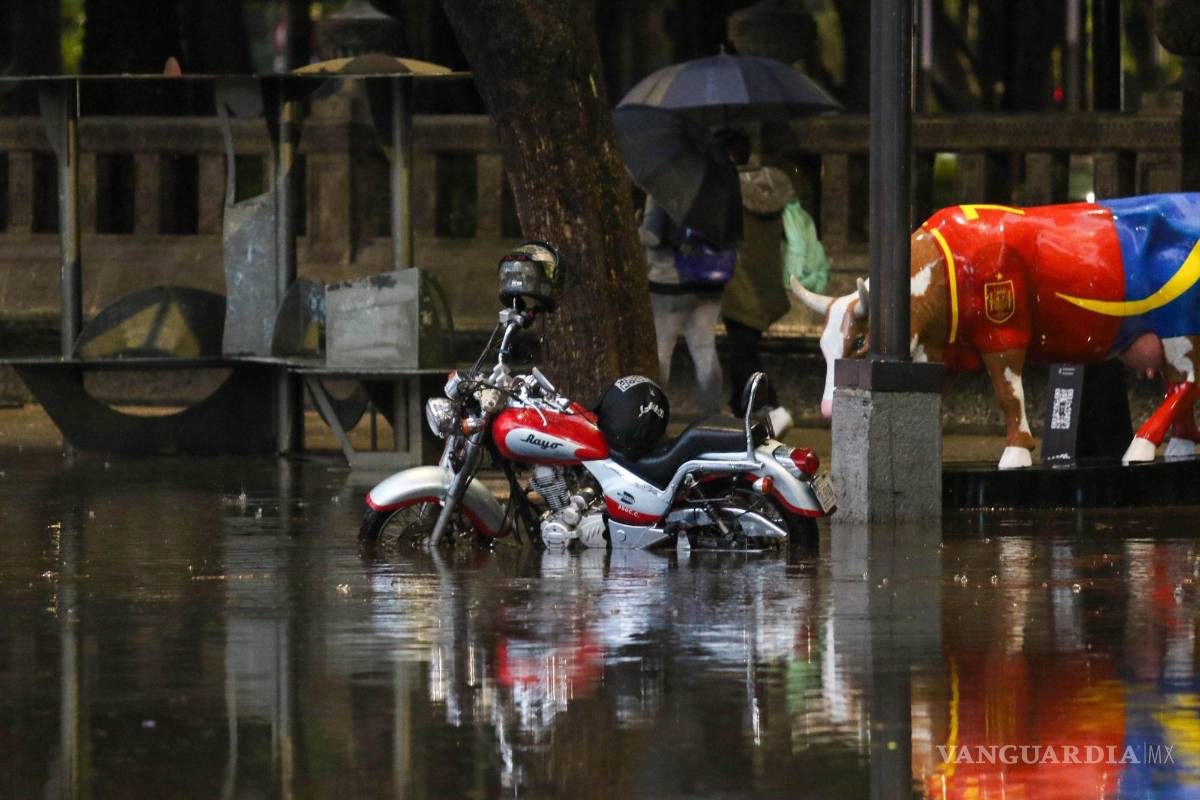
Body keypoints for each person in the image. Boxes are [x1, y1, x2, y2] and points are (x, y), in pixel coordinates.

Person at [722, 161, 830, 434]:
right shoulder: (775, 195)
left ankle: (774, 406)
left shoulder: (732, 197)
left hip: (741, 285)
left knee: (743, 356)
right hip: (764, 285)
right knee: (742, 352)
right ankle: (738, 410)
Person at [639, 201, 732, 418]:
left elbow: (653, 236)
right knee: (705, 349)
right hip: (708, 281)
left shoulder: (664, 187)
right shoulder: (713, 189)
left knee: (662, 349)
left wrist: (636, 229)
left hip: (669, 282)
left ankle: (653, 414)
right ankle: (713, 416)